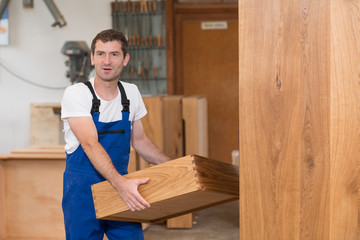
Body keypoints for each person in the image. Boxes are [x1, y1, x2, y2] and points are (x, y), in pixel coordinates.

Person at [61, 29, 170, 239]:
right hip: (83, 192)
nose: (106, 61)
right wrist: (121, 185)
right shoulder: (76, 93)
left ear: (125, 59)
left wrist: (174, 166)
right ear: (92, 58)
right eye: (101, 54)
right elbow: (90, 144)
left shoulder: (131, 93)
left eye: (114, 54)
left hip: (121, 183)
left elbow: (140, 141)